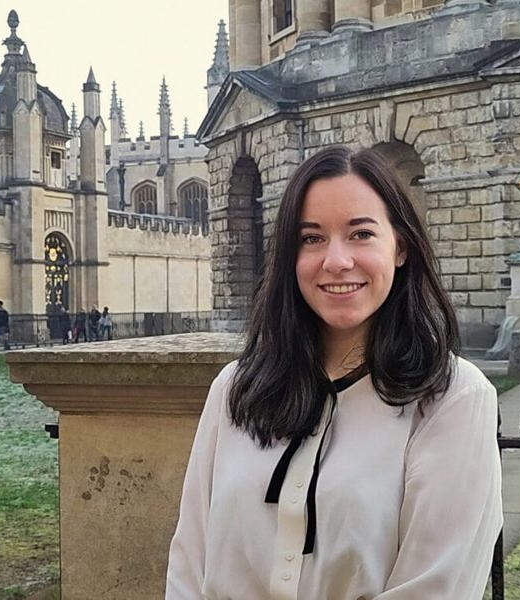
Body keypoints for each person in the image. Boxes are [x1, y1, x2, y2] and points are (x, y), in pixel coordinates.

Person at [167, 146, 502, 599]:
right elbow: (189, 561)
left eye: (361, 234)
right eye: (312, 238)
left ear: (400, 247)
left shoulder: (453, 398)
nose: (336, 261)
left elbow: (437, 585)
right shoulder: (236, 388)